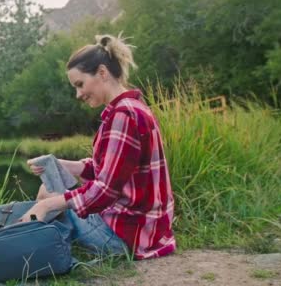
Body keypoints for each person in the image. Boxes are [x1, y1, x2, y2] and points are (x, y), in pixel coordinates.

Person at [21, 34, 176, 260]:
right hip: (148, 231)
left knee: (47, 195)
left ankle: (27, 251)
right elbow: (111, 169)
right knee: (51, 190)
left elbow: (105, 190)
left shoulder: (123, 116)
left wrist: (46, 206)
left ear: (102, 73)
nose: (78, 94)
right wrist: (64, 165)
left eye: (80, 84)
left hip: (125, 238)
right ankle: (34, 244)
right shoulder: (132, 107)